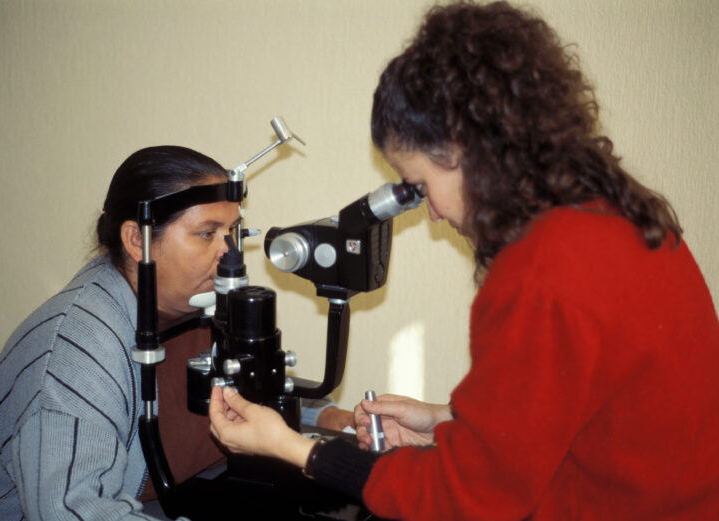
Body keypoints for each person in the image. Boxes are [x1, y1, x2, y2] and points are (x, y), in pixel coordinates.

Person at [208, 2, 719, 520]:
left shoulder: (540, 274)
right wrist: (447, 422)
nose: (430, 213)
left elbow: (466, 501)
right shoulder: (621, 218)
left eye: (423, 186)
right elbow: (583, 406)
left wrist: (294, 448)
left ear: (464, 149)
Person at [0, 145, 352, 521]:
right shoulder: (76, 354)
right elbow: (75, 512)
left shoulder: (199, 299)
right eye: (207, 233)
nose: (228, 252)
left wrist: (324, 415)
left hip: (171, 497)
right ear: (135, 241)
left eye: (232, 231)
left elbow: (250, 386)